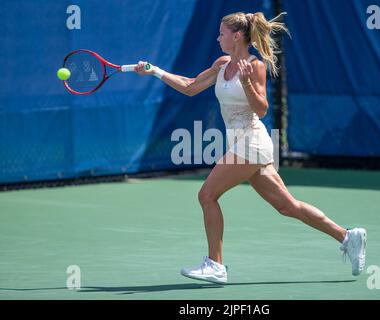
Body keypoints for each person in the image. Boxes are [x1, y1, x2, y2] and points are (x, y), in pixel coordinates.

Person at [135, 11, 367, 284]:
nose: (218, 37)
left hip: (251, 142)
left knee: (207, 195)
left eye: (222, 33)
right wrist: (155, 71)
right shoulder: (221, 64)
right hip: (242, 144)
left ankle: (215, 265)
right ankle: (348, 237)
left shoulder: (254, 66)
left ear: (236, 37)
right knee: (287, 206)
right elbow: (190, 86)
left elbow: (262, 108)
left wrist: (245, 82)